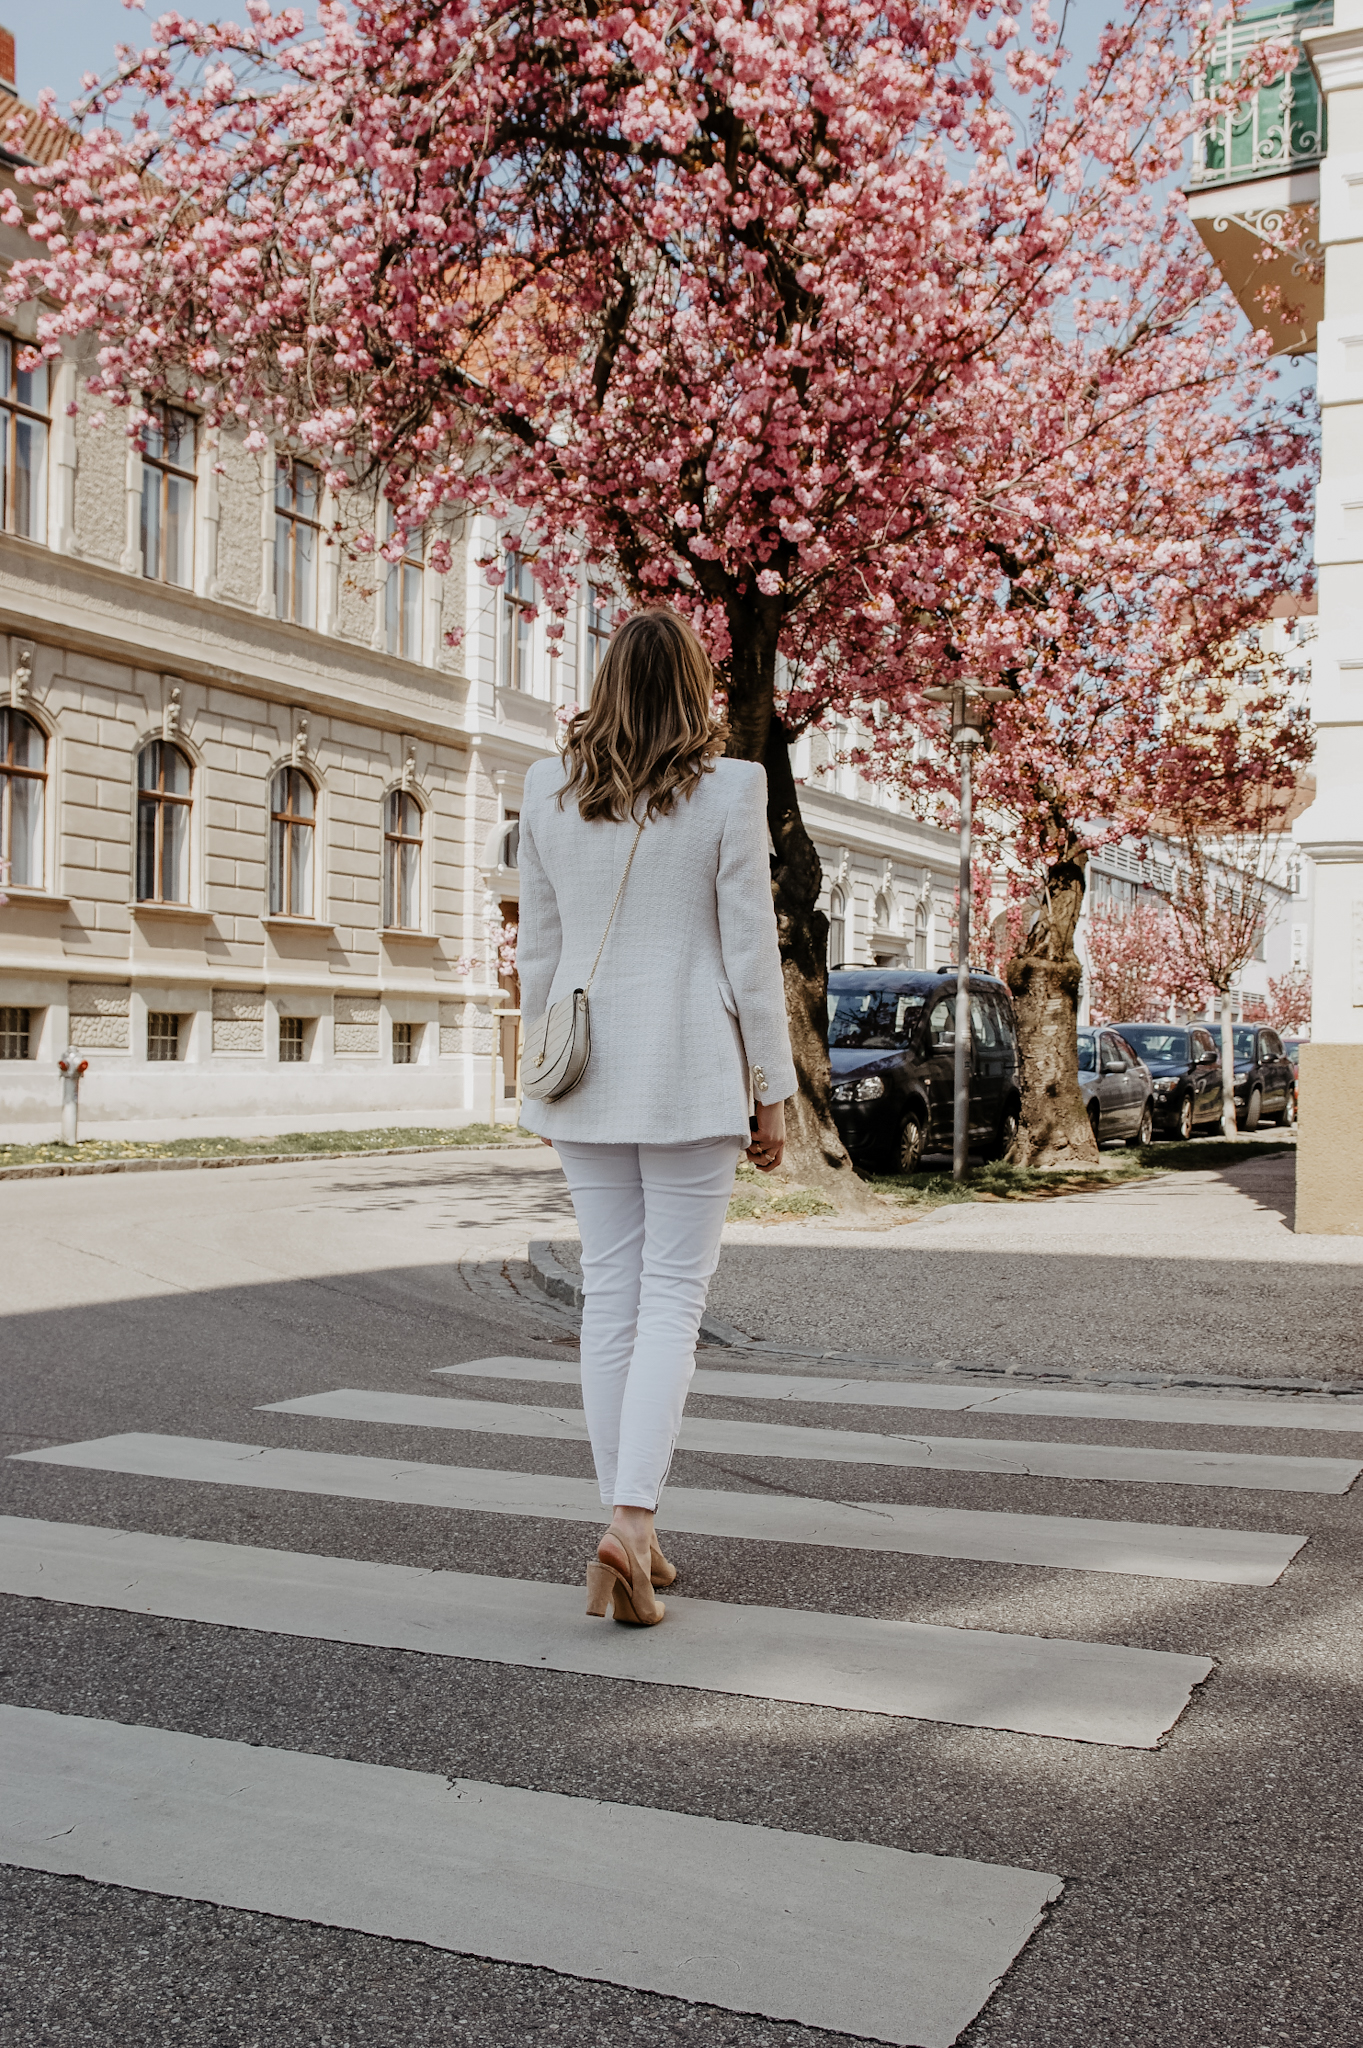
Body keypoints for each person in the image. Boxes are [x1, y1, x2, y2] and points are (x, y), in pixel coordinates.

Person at [516, 606, 796, 1626]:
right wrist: (771, 1089)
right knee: (672, 1296)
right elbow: (748, 954)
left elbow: (536, 957)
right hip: (687, 1067)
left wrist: (532, 1083)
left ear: (602, 681)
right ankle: (631, 1520)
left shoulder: (546, 789)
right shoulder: (730, 787)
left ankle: (629, 1522)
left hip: (585, 1069)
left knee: (611, 1296)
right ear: (693, 687)